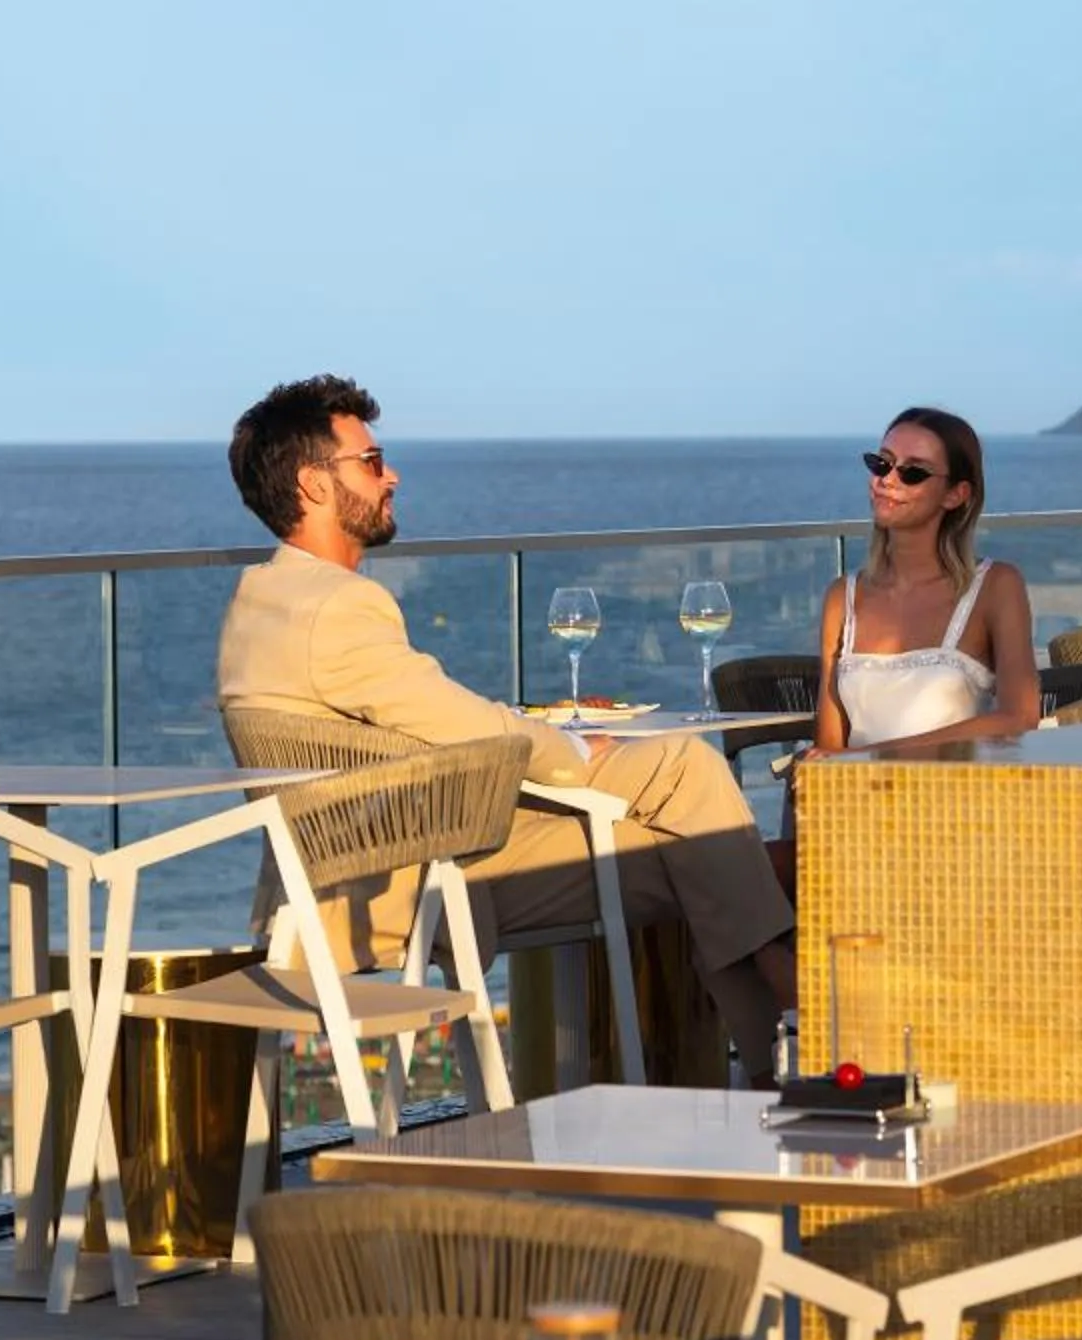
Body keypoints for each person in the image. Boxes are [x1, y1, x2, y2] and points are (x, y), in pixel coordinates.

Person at [215, 375, 796, 1081]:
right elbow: (468, 731)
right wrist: (574, 750)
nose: (390, 474)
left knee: (678, 848)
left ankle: (771, 1056)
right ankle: (786, 1033)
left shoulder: (260, 599)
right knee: (680, 767)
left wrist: (529, 737)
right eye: (370, 462)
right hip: (412, 878)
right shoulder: (340, 606)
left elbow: (421, 719)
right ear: (312, 485)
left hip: (341, 871)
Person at [809, 406, 1042, 755]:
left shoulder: (996, 586)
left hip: (951, 801)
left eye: (913, 473)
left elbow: (1019, 717)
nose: (887, 480)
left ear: (955, 495)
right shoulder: (843, 597)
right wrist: (851, 766)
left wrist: (874, 757)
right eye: (882, 463)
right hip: (858, 802)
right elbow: (828, 749)